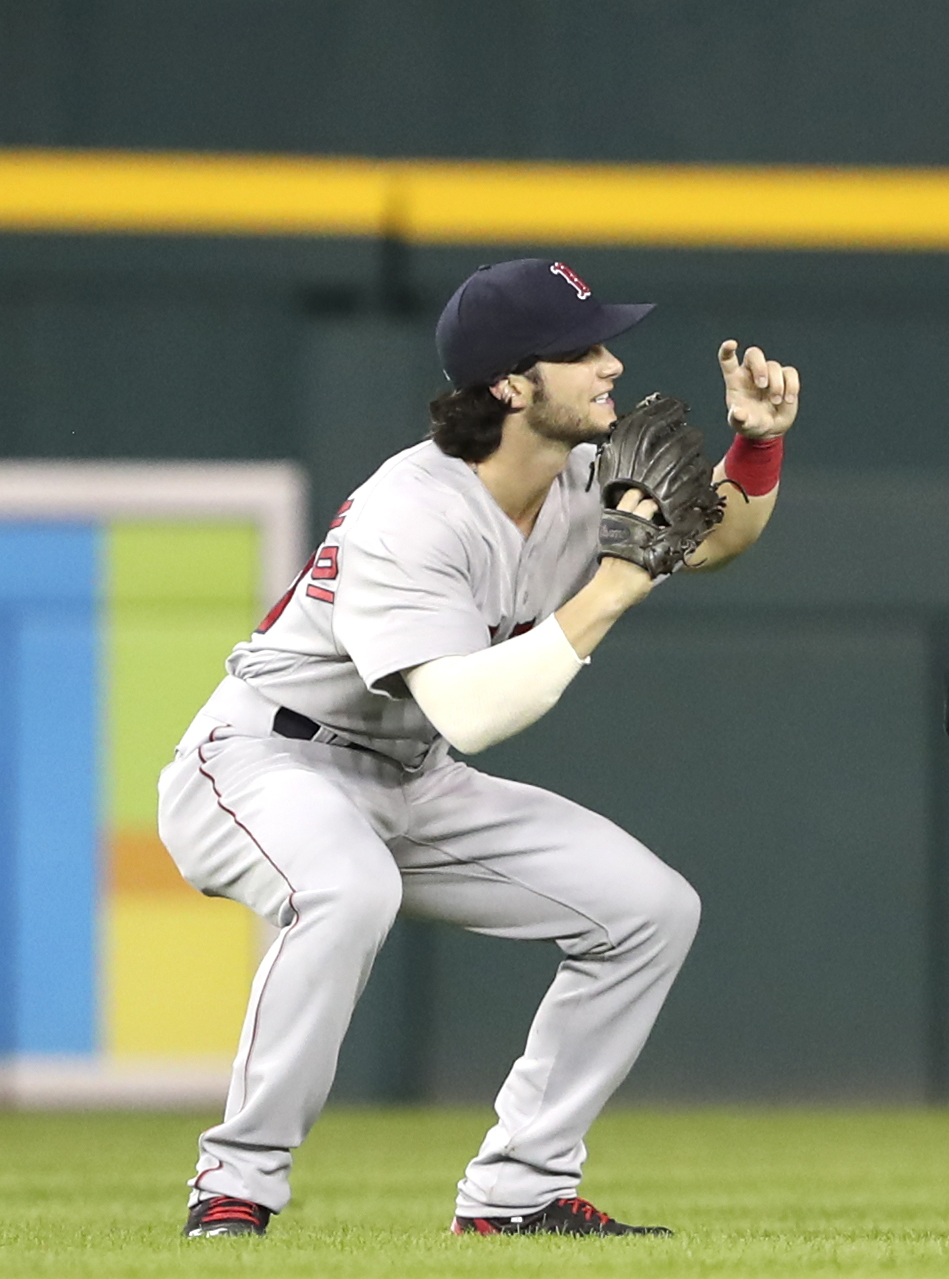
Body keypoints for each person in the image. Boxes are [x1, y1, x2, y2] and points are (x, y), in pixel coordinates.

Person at [156, 257, 799, 1238]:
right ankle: (235, 1184)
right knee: (347, 888)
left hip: (411, 777)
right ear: (509, 383)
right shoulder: (411, 513)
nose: (611, 367)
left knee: (647, 909)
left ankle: (518, 1194)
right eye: (582, 350)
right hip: (264, 760)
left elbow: (711, 539)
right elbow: (471, 709)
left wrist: (755, 448)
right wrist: (617, 584)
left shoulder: (582, 476)